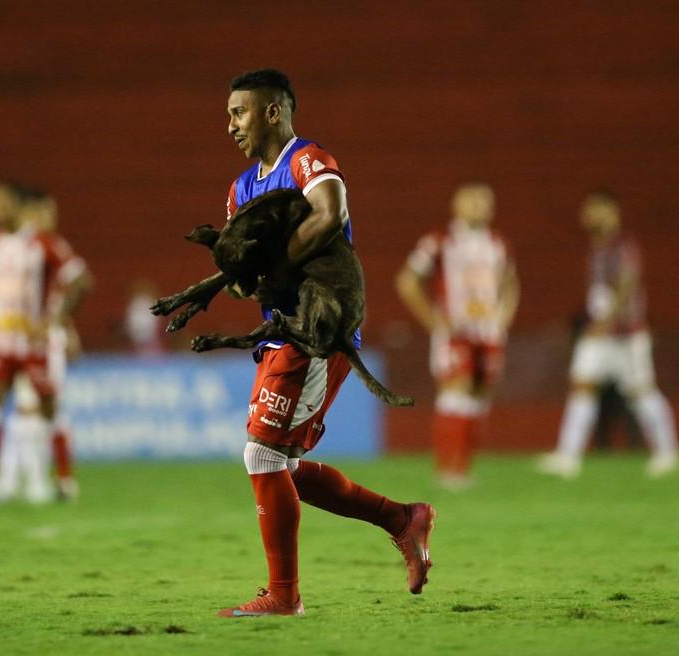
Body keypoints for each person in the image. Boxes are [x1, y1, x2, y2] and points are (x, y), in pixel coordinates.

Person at [217, 68, 435, 618]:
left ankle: (285, 596)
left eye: (239, 113)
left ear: (273, 110)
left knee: (262, 454)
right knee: (280, 464)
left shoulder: (306, 160)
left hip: (316, 330)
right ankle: (401, 519)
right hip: (279, 333)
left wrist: (274, 263)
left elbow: (331, 213)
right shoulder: (241, 189)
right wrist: (242, 272)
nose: (231, 126)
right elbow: (244, 276)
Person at [538, 191, 679, 478]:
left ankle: (668, 453)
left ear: (614, 213)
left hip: (625, 332)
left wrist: (610, 318)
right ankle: (567, 457)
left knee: (641, 391)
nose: (592, 216)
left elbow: (628, 282)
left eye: (599, 210)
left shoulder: (622, 246)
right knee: (582, 385)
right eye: (589, 211)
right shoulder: (598, 247)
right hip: (601, 332)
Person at [395, 183, 519, 489]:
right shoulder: (439, 241)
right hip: (456, 332)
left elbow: (510, 282)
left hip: (488, 332)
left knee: (478, 396)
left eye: (485, 201)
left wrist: (503, 319)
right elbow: (407, 281)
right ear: (457, 206)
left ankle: (463, 469)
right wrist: (433, 320)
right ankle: (447, 469)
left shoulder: (498, 244)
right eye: (473, 201)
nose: (480, 206)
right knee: (455, 390)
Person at [0, 181, 89, 501]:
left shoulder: (41, 243)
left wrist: (54, 320)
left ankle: (66, 481)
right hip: (1, 340)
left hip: (34, 344)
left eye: (0, 202)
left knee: (49, 410)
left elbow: (78, 278)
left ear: (17, 206)